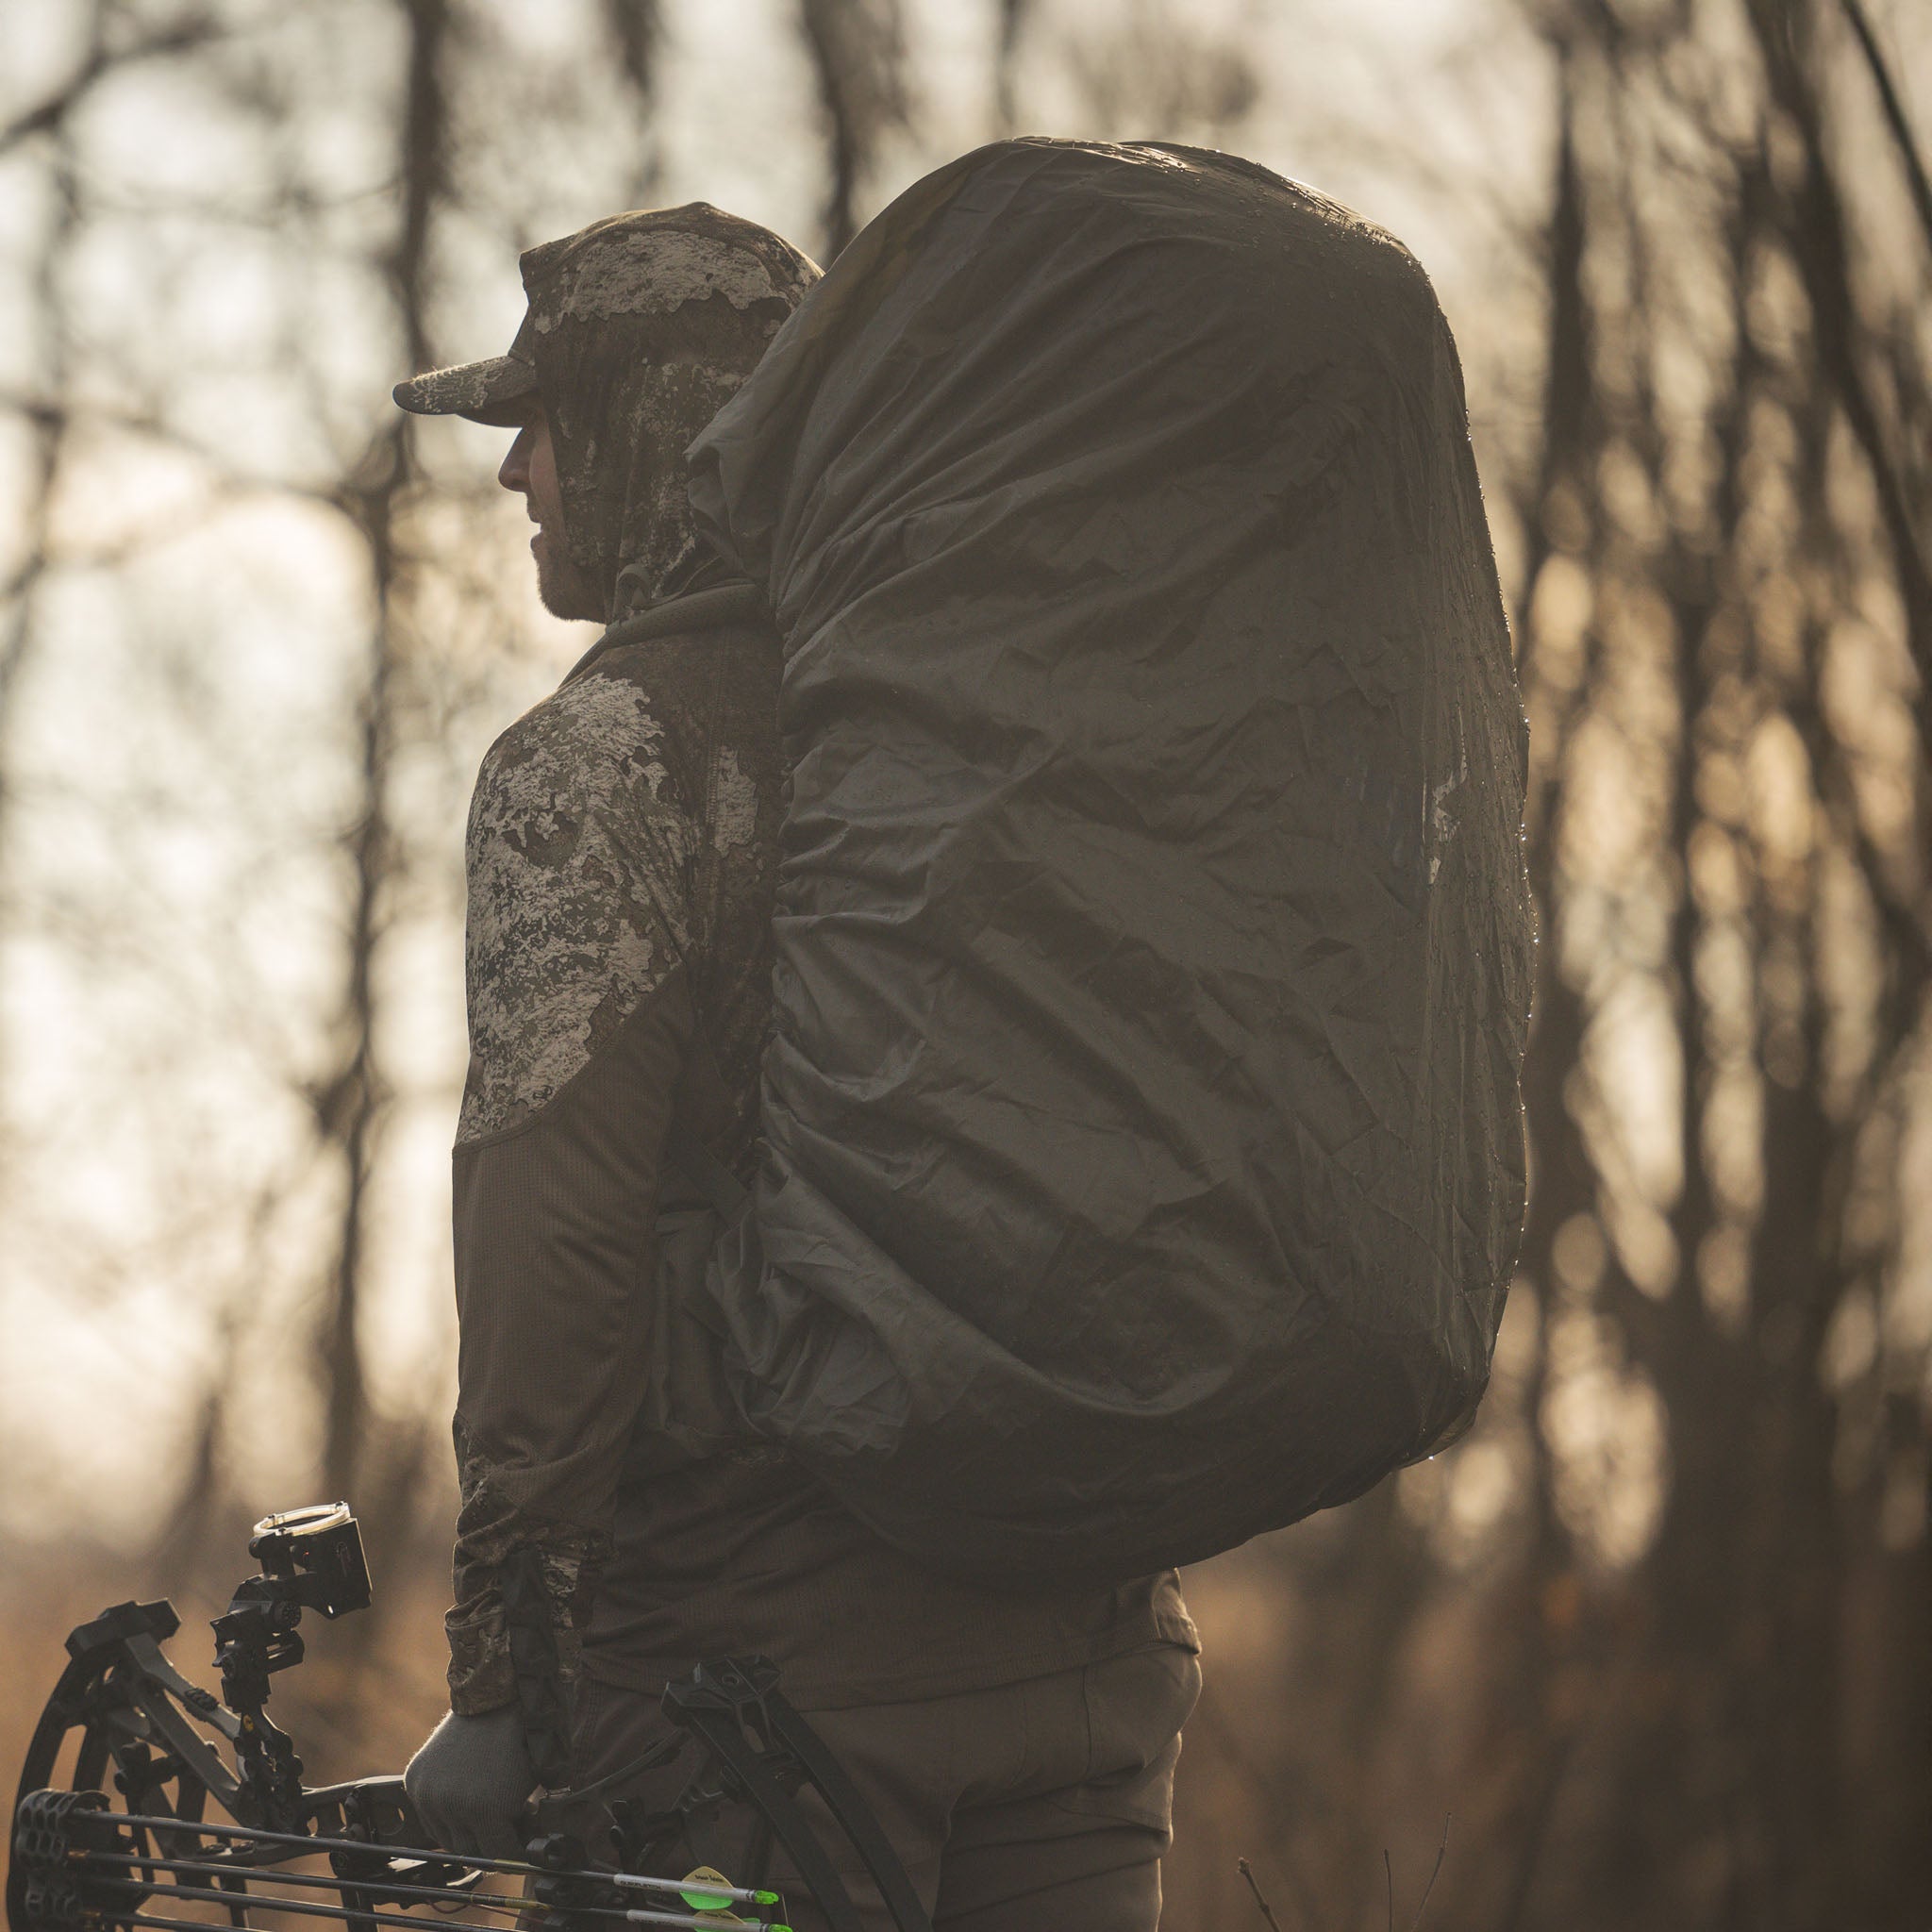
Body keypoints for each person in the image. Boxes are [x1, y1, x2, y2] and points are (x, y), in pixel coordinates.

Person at [391, 204, 1200, 1932]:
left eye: (546, 420)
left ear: (655, 429)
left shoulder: (607, 762)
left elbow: (559, 1252)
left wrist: (506, 1679)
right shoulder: (1007, 719)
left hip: (748, 1709)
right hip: (1082, 1662)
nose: (517, 469)